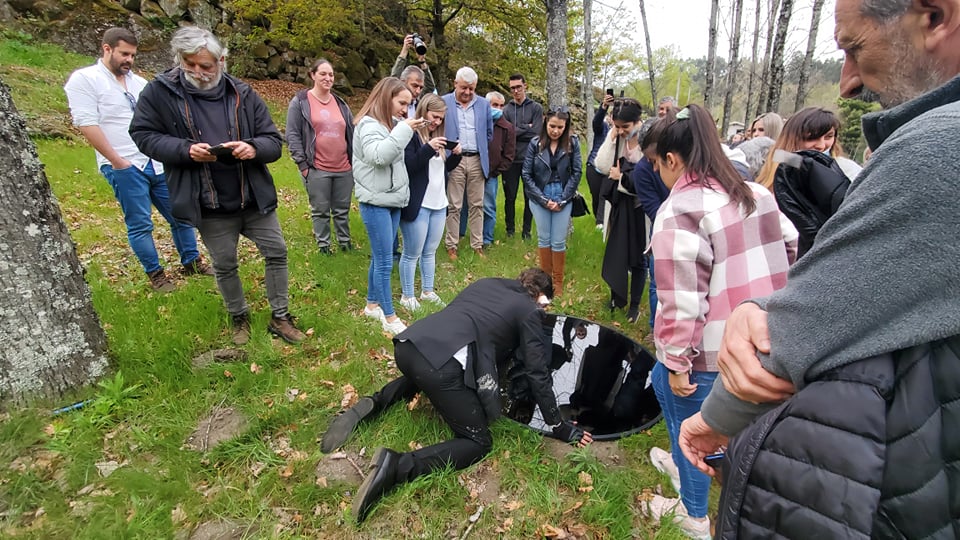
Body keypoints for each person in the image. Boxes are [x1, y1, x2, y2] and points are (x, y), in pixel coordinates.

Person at [678, 0, 960, 536]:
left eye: (855, 48)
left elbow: (795, 332)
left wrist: (712, 420)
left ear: (934, 16)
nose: (848, 82)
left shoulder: (942, 147)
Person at [319, 268, 593, 522]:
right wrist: (557, 424)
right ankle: (397, 467)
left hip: (409, 345)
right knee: (478, 441)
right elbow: (537, 372)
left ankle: (369, 405)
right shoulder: (529, 310)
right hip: (437, 370)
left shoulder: (488, 283)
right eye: (545, 306)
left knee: (425, 370)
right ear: (541, 299)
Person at [642, 105, 797, 539]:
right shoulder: (755, 193)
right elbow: (791, 246)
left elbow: (681, 301)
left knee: (696, 432)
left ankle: (693, 515)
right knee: (661, 386)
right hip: (767, 342)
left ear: (672, 160)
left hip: (711, 355)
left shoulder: (680, 210)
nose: (658, 174)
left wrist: (677, 361)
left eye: (657, 164)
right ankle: (682, 465)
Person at [129, 27, 305, 345]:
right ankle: (239, 317)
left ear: (221, 61)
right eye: (189, 64)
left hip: (251, 196)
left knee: (277, 252)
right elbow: (142, 133)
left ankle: (280, 316)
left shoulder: (242, 93)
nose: (198, 72)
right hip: (207, 201)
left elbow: (272, 141)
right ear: (179, 59)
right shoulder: (159, 91)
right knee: (224, 263)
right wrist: (184, 151)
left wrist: (252, 148)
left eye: (206, 65)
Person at [64, 27, 212, 293]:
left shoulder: (139, 83)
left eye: (132, 55)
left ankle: (191, 261)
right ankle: (156, 274)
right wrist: (117, 161)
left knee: (181, 213)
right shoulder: (85, 79)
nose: (129, 60)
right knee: (140, 222)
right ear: (106, 48)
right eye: (124, 54)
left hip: (155, 161)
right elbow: (86, 123)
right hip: (123, 163)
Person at [352, 77, 423, 335]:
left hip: (392, 200)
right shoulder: (368, 125)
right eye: (402, 102)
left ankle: (372, 306)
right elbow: (379, 157)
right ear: (386, 98)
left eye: (409, 103)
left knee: (381, 257)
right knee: (384, 261)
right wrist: (405, 129)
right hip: (376, 202)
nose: (405, 108)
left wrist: (402, 127)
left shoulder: (389, 124)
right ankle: (390, 316)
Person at [398, 94, 461, 312]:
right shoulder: (411, 135)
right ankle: (407, 295)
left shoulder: (438, 137)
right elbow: (410, 166)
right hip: (418, 203)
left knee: (430, 251)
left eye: (441, 119)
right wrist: (428, 148)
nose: (437, 122)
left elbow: (441, 171)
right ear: (424, 112)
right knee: (411, 252)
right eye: (435, 117)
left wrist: (456, 156)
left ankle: (428, 290)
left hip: (438, 202)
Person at [285, 58, 354, 255]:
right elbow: (292, 134)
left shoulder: (340, 103)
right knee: (320, 210)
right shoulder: (301, 102)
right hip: (317, 167)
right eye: (323, 74)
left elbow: (351, 131)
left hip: (343, 166)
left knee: (342, 210)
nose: (327, 78)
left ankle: (345, 243)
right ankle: (324, 246)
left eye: (331, 74)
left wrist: (352, 161)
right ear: (312, 75)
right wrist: (303, 165)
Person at [594, 98, 646, 322]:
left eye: (626, 127)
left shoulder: (646, 141)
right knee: (617, 251)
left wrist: (622, 177)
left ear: (637, 122)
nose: (622, 131)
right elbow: (602, 166)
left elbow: (648, 179)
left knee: (638, 257)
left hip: (639, 206)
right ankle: (615, 297)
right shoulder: (616, 137)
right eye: (618, 126)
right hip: (618, 205)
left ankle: (634, 305)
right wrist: (610, 138)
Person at [521, 108, 581, 296]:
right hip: (540, 194)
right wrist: (542, 199)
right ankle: (545, 282)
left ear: (566, 126)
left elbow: (577, 172)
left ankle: (558, 282)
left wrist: (563, 199)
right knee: (544, 238)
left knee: (558, 241)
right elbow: (526, 173)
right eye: (552, 126)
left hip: (562, 192)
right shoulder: (535, 143)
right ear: (545, 123)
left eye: (560, 127)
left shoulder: (572, 143)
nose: (555, 131)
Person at [442, 67, 493, 260]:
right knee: (454, 204)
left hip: (477, 159)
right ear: (455, 84)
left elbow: (489, 132)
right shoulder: (445, 102)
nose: (467, 92)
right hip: (454, 159)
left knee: (477, 204)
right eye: (464, 88)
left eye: (472, 89)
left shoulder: (483, 104)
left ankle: (477, 245)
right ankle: (451, 245)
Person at [755, 106, 860, 190]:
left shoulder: (847, 169)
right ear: (792, 138)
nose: (821, 146)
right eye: (811, 138)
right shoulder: (775, 163)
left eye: (829, 137)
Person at [502, 74, 544, 239]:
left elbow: (537, 133)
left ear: (525, 86)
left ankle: (526, 232)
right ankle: (510, 230)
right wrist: (526, 127)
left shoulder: (536, 108)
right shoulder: (506, 109)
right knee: (510, 197)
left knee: (530, 197)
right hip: (511, 159)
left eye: (518, 87)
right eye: (512, 88)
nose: (516, 91)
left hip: (530, 159)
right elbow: (507, 134)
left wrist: (516, 129)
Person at [481, 91, 516, 246]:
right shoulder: (478, 123)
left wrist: (494, 172)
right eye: (495, 105)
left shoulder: (508, 128)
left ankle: (487, 239)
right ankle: (461, 235)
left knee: (488, 208)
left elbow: (509, 156)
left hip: (492, 175)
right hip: (473, 171)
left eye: (501, 106)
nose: (498, 108)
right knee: (464, 206)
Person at [585, 93, 613, 230]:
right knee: (596, 196)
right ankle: (598, 218)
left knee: (603, 195)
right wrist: (604, 107)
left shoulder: (622, 133)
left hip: (610, 170)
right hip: (594, 167)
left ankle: (601, 223)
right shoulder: (603, 129)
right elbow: (596, 123)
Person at [391, 34, 436, 117]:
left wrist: (422, 60)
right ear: (403, 82)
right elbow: (393, 80)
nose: (418, 91)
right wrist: (404, 50)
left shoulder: (418, 103)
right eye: (414, 86)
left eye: (421, 87)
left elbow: (430, 87)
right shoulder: (394, 97)